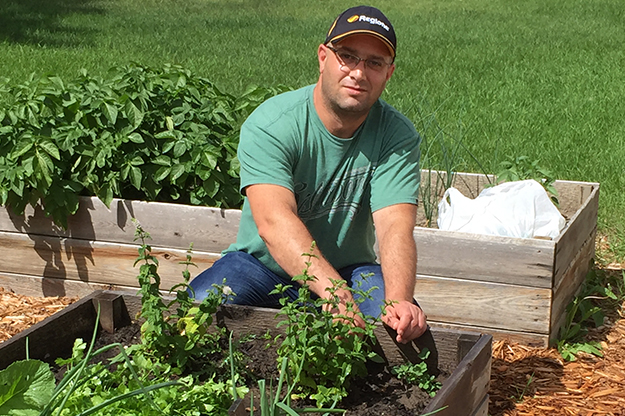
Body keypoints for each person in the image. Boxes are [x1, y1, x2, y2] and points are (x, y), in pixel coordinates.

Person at [189, 5, 427, 344]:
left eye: (374, 63)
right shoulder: (273, 125)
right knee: (199, 309)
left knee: (399, 329)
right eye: (347, 56)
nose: (359, 73)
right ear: (323, 57)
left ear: (388, 74)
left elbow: (394, 225)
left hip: (351, 270)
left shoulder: (396, 136)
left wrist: (400, 300)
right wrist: (336, 296)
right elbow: (274, 222)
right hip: (261, 268)